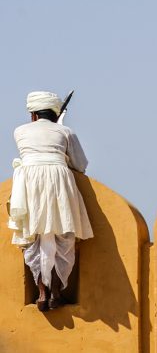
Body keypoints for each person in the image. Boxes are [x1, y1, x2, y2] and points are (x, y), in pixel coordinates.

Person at [9, 91, 93, 311]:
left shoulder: (19, 131)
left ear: (33, 115)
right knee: (63, 236)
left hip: (28, 184)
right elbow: (80, 165)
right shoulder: (65, 131)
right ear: (55, 114)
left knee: (33, 236)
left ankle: (41, 293)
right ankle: (56, 292)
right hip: (59, 181)